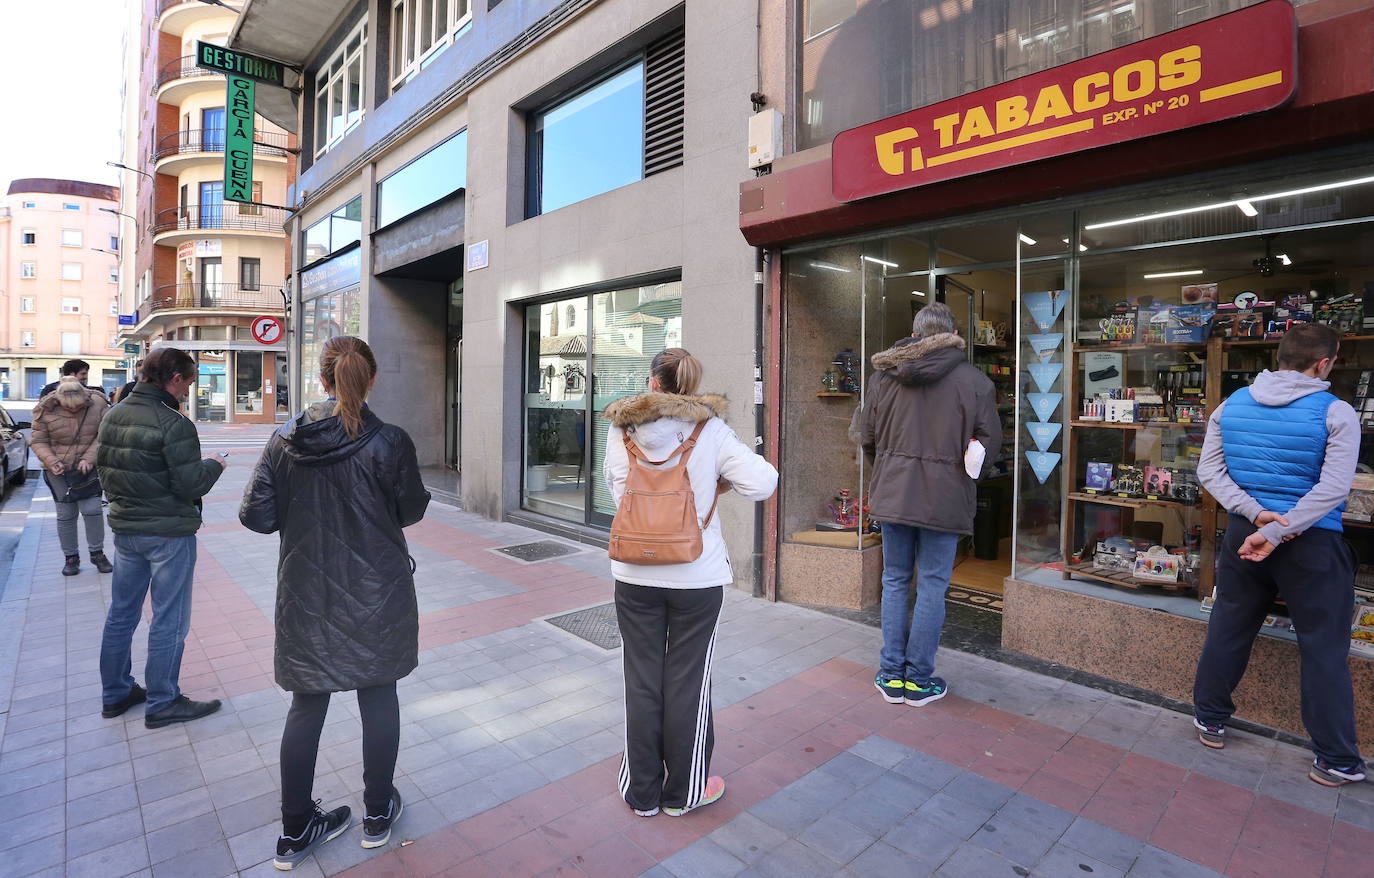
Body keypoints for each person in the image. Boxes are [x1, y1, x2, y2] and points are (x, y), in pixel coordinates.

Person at [240, 336, 430, 869]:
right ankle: (376, 813)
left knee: (307, 704)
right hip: (378, 589)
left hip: (307, 592)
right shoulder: (389, 441)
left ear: (322, 381)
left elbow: (257, 516)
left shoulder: (285, 441)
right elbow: (411, 509)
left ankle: (296, 830)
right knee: (378, 692)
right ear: (369, 380)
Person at [603, 348, 778, 818]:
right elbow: (763, 482)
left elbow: (615, 490)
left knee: (640, 678)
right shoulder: (711, 429)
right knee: (688, 682)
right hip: (696, 576)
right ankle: (683, 792)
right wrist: (718, 481)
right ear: (689, 385)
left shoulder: (620, 430)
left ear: (653, 384)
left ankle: (641, 791)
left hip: (633, 572)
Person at [1193, 323, 1367, 787]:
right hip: (1310, 544)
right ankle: (1335, 759)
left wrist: (1256, 516)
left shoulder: (1231, 404)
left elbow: (1209, 471)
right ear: (1324, 363)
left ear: (1280, 355)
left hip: (1243, 533)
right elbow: (1333, 489)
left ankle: (1209, 717)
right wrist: (1281, 528)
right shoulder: (1338, 412)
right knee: (1324, 647)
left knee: (1230, 621)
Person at [860, 302, 1000, 707]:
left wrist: (888, 470)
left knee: (895, 580)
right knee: (933, 585)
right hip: (946, 497)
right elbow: (989, 445)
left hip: (894, 493)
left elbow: (867, 438)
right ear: (952, 333)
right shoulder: (974, 381)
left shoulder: (883, 378)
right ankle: (919, 680)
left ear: (916, 333)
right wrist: (964, 475)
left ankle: (891, 675)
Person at [96, 347, 226, 728]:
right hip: (168, 533)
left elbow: (104, 473)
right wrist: (215, 464)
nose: (188, 389)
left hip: (126, 530)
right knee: (169, 618)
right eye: (188, 381)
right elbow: (190, 483)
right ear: (173, 378)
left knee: (122, 613)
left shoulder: (113, 413)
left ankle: (116, 693)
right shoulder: (174, 422)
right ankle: (164, 700)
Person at [32, 373, 111, 576]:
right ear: (59, 401)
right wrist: (51, 461)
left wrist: (89, 458)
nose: (74, 410)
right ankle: (71, 558)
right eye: (69, 408)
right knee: (66, 514)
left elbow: (105, 436)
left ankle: (97, 553)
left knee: (93, 509)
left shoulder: (97, 403)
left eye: (78, 407)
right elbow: (38, 441)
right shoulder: (45, 409)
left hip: (89, 467)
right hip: (58, 471)